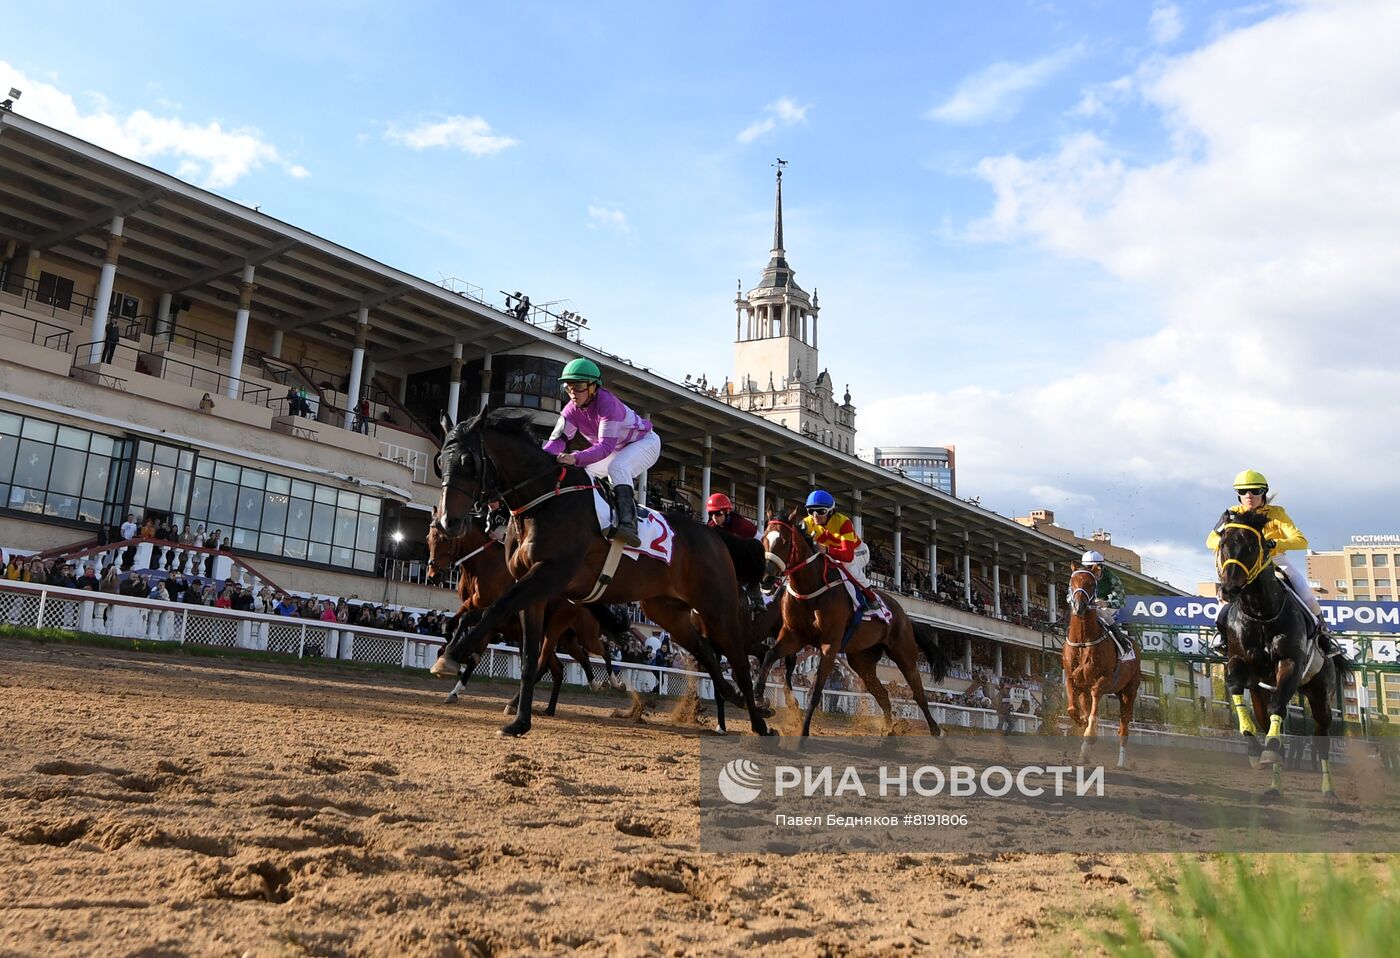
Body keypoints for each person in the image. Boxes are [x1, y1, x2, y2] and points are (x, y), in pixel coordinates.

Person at [1206, 469, 1340, 656]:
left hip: (1274, 558)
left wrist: (1275, 543)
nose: (1249, 496)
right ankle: (1221, 636)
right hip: (1246, 561)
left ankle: (1324, 636)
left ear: (1264, 492)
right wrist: (1228, 543)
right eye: (1243, 492)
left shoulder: (1277, 514)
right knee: (1225, 594)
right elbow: (1210, 540)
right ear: (1237, 495)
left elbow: (1301, 540)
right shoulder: (1231, 514)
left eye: (1255, 491)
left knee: (1305, 592)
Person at [541, 358, 660, 548]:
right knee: (585, 472)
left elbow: (605, 448)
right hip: (617, 448)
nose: (573, 392)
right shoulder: (570, 411)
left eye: (578, 386)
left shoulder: (607, 404)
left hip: (645, 443)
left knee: (618, 467)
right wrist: (541, 460)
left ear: (593, 387)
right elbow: (558, 442)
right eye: (568, 387)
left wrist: (575, 457)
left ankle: (629, 524)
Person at [800, 489, 883, 613]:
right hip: (831, 553)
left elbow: (848, 556)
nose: (815, 516)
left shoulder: (843, 522)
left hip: (858, 551)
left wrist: (826, 549)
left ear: (831, 511)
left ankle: (871, 596)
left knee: (846, 564)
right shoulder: (807, 522)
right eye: (811, 511)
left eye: (821, 511)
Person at [1077, 550, 1132, 657]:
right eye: (1088, 568)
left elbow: (1121, 601)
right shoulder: (1080, 577)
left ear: (1101, 567)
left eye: (1094, 568)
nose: (1091, 571)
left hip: (1107, 607)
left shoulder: (1112, 578)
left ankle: (1121, 640)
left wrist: (1106, 603)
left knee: (1101, 612)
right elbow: (1069, 596)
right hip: (1086, 605)